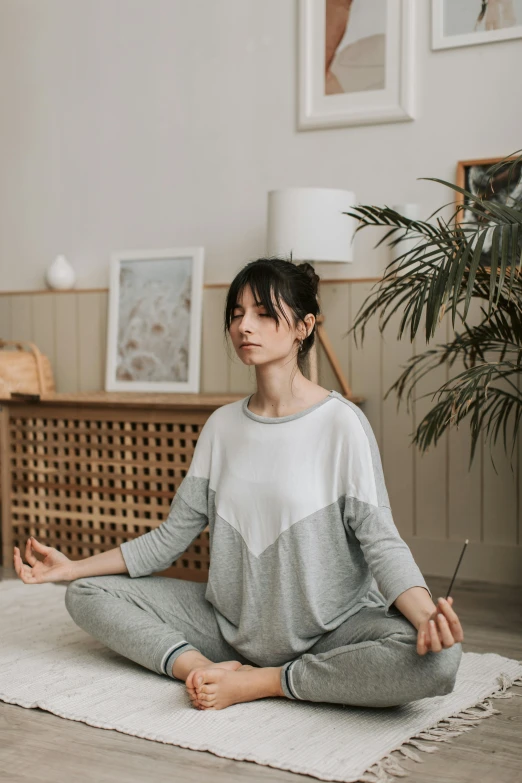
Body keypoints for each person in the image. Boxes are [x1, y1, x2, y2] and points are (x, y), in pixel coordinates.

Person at [13, 257, 464, 712]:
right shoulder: (221, 427)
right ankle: (201, 668)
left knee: (439, 661)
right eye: (236, 314)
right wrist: (71, 568)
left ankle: (267, 682)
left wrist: (428, 618)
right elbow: (170, 539)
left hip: (332, 631)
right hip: (230, 629)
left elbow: (382, 543)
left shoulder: (342, 424)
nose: (245, 325)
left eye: (264, 313)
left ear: (304, 326)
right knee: (87, 593)